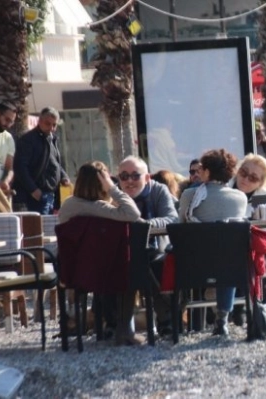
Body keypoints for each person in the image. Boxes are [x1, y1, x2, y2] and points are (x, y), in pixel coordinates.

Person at [57, 161, 142, 345]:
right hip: (106, 273)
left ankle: (106, 326)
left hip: (73, 273)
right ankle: (124, 330)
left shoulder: (67, 206)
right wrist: (113, 189)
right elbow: (134, 214)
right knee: (127, 271)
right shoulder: (102, 209)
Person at [178, 149, 247, 336]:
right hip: (231, 266)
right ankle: (222, 318)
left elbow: (181, 224)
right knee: (227, 253)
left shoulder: (189, 195)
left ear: (207, 172)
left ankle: (175, 317)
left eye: (201, 168)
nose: (198, 172)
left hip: (194, 263)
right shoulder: (240, 198)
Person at [117, 156, 179, 337]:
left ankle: (164, 319)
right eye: (124, 176)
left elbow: (171, 218)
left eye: (135, 176)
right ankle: (116, 322)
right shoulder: (115, 194)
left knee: (148, 262)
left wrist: (143, 226)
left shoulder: (159, 191)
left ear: (147, 178)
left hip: (155, 248)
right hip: (121, 251)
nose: (129, 181)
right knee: (118, 265)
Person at [229, 153, 266, 323]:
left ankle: (265, 303)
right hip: (225, 243)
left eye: (253, 178)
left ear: (260, 183)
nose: (245, 179)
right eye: (243, 172)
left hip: (251, 243)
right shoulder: (225, 191)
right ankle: (239, 306)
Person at [13, 107, 70, 214]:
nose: (51, 128)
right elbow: (20, 166)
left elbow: (55, 163)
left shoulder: (52, 139)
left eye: (54, 125)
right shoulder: (28, 140)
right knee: (39, 228)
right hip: (37, 196)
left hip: (52, 195)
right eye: (48, 124)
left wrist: (64, 176)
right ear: (39, 121)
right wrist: (33, 190)